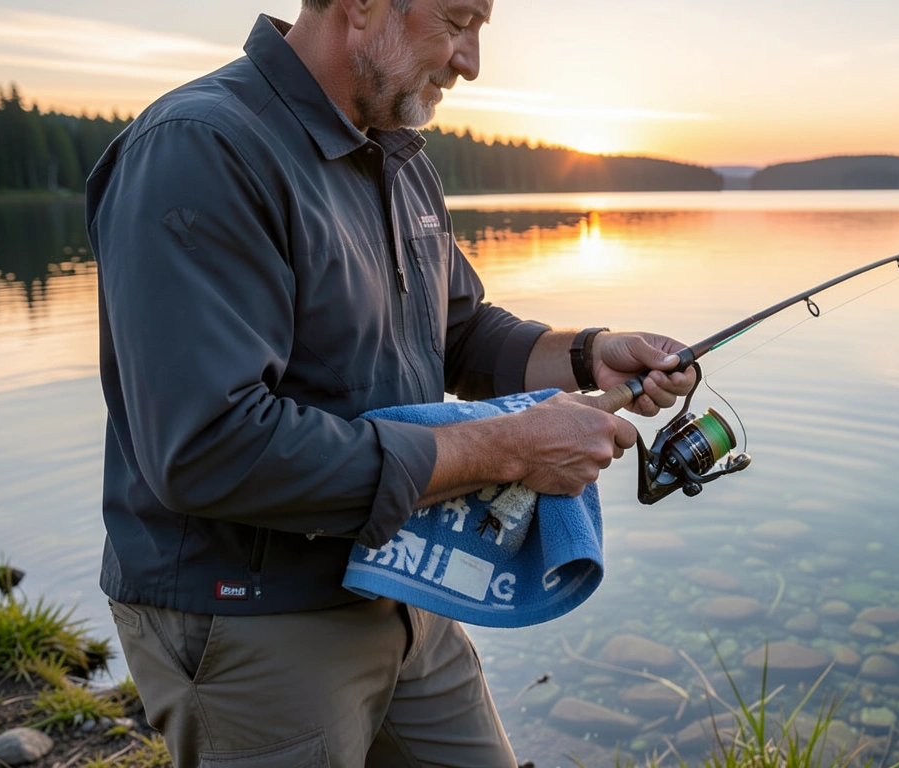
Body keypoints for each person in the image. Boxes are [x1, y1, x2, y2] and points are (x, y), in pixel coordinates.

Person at [85, 0, 695, 766]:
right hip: (250, 615)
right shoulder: (200, 149)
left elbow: (459, 333)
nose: (471, 61)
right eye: (456, 21)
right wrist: (508, 450)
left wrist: (591, 354)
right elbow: (211, 447)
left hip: (403, 581)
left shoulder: (398, 158)